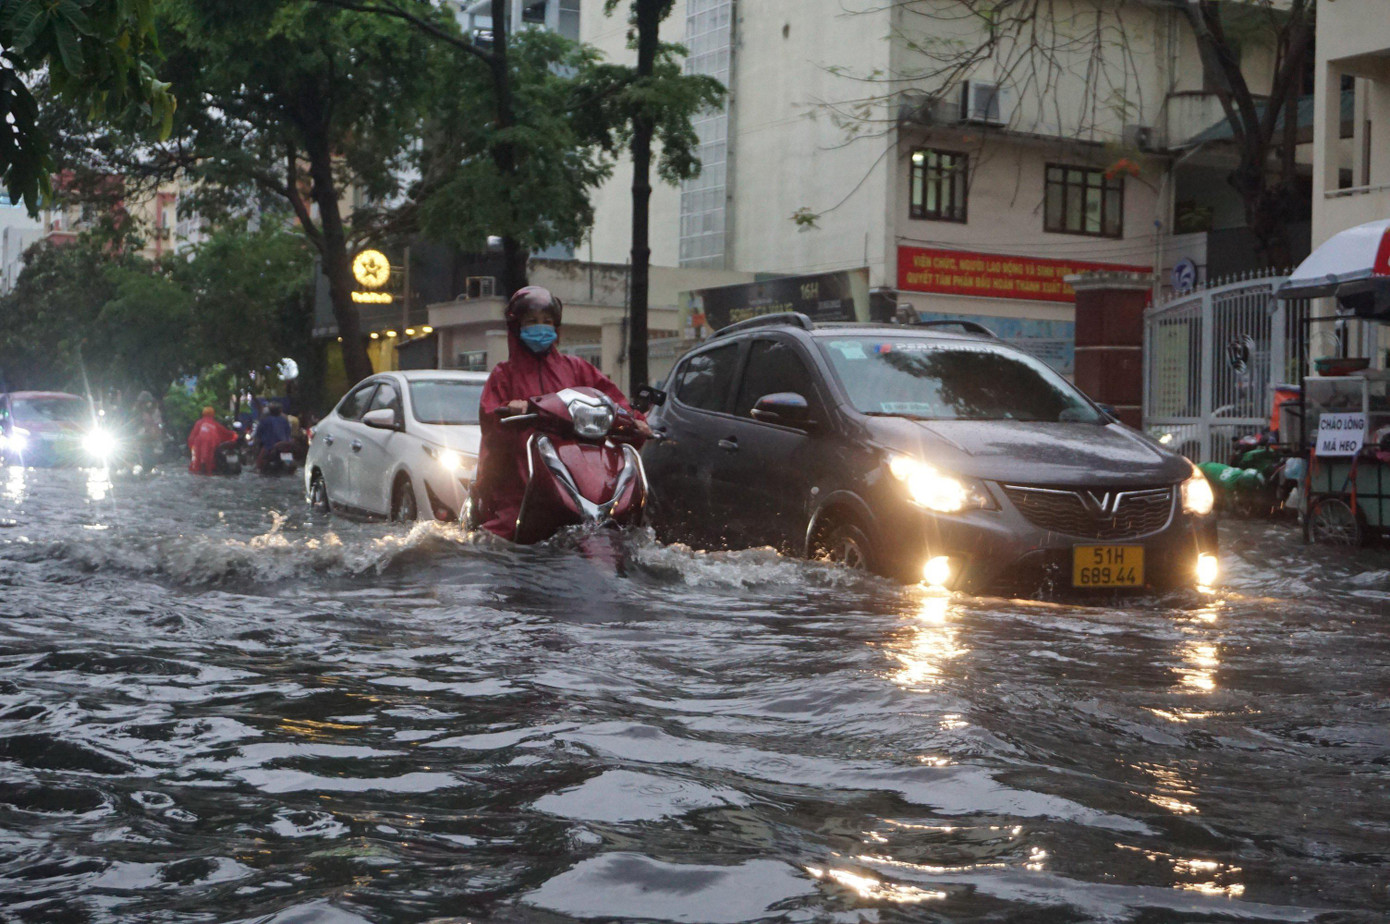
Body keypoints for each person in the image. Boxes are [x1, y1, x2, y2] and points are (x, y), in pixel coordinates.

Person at [474, 285, 651, 540]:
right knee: (504, 531)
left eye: (547, 322)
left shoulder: (577, 368)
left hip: (580, 465)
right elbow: (491, 415)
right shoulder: (504, 374)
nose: (541, 327)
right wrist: (510, 409)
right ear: (517, 327)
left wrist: (636, 421)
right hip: (523, 473)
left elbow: (612, 399)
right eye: (532, 321)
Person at [187, 407, 238, 475]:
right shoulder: (215, 424)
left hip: (199, 444)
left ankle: (198, 471)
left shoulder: (199, 423)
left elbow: (192, 436)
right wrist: (235, 435)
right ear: (213, 414)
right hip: (211, 444)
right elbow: (226, 433)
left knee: (197, 462)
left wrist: (191, 445)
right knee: (210, 461)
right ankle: (209, 472)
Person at [253, 403, 293, 472]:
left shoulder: (265, 421)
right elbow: (289, 432)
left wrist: (256, 440)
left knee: (259, 466)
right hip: (284, 445)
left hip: (269, 446)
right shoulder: (284, 420)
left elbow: (258, 433)